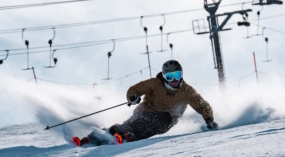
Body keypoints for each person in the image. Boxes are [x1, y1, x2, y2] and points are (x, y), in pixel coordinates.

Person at [73, 60, 218, 146]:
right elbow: (135, 89)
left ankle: (129, 136)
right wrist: (133, 97)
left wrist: (209, 119)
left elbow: (202, 105)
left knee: (158, 122)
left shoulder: (187, 91)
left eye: (177, 76)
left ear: (181, 75)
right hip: (146, 110)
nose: (174, 80)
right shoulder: (155, 83)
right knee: (133, 123)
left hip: (167, 119)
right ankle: (95, 137)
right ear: (165, 77)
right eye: (170, 76)